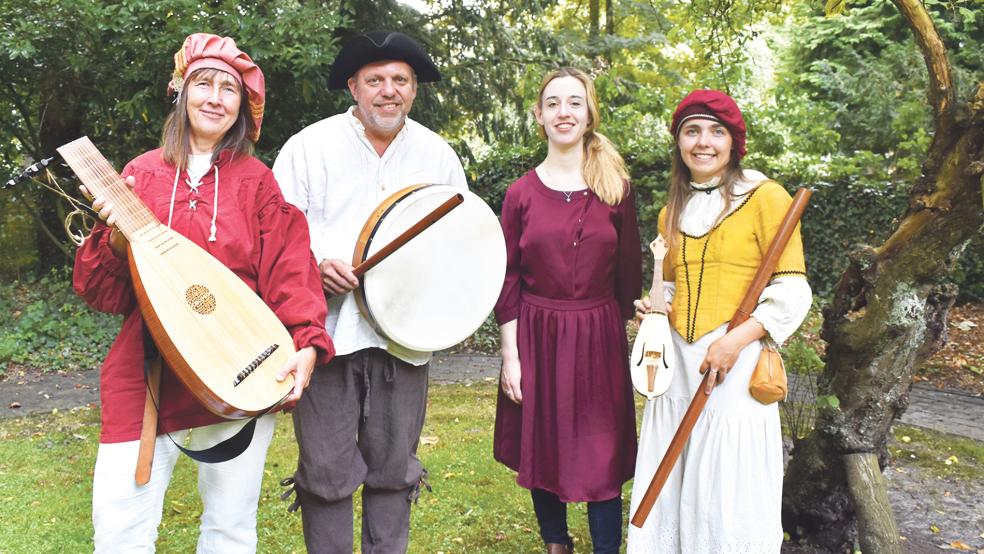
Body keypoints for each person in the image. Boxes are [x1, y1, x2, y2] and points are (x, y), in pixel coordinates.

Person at [73, 33, 334, 552]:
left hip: (239, 362)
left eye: (229, 89)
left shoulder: (257, 183)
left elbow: (289, 269)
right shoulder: (139, 176)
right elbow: (104, 292)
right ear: (181, 91)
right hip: (147, 368)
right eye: (204, 83)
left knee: (231, 529)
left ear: (242, 106)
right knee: (119, 529)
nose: (215, 97)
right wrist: (116, 241)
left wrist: (306, 341)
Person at [272, 30, 467, 553]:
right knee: (327, 471)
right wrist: (315, 267)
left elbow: (457, 246)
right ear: (353, 88)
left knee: (393, 470)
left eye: (400, 80)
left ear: (414, 90)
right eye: (375, 80)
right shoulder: (308, 149)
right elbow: (277, 242)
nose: (389, 91)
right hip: (327, 336)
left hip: (404, 339)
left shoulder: (437, 157)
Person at [626, 89, 812, 553]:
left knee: (725, 480)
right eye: (692, 131)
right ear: (679, 142)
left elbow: (792, 288)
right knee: (674, 471)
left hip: (735, 361)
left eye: (716, 131)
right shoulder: (672, 211)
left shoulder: (766, 198)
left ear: (733, 142)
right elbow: (670, 285)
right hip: (677, 367)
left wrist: (735, 342)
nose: (703, 142)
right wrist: (655, 308)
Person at [494, 67, 642, 554]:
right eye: (553, 103)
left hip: (598, 332)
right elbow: (508, 280)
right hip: (537, 332)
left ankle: (605, 549)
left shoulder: (615, 187)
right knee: (546, 445)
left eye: (574, 102)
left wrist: (629, 333)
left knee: (602, 448)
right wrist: (511, 357)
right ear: (539, 116)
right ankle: (556, 544)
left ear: (589, 113)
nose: (564, 111)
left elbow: (628, 274)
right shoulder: (520, 194)